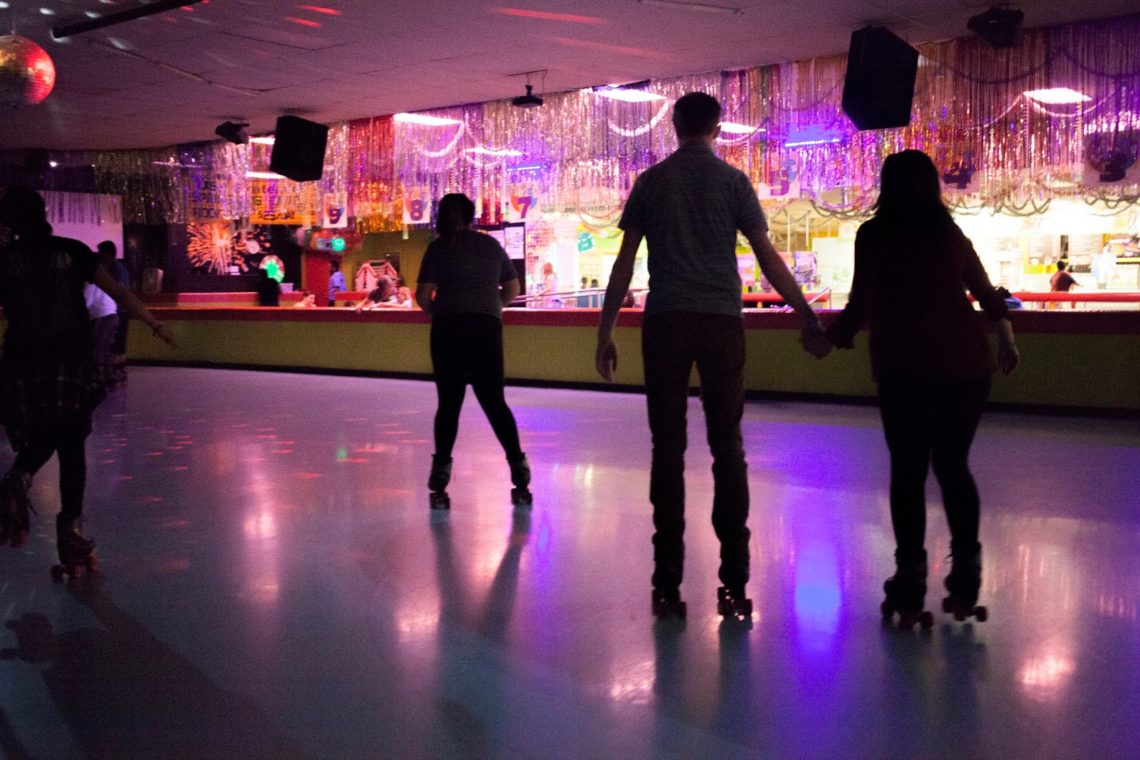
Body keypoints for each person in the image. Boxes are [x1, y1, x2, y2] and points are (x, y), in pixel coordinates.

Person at [595, 92, 831, 621]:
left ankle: (667, 582)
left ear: (675, 125)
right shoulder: (733, 183)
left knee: (668, 450)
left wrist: (605, 330)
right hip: (723, 324)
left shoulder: (653, 182)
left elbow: (624, 264)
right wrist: (806, 316)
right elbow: (768, 260)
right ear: (719, 128)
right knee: (728, 448)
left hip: (667, 323)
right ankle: (734, 581)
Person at [825, 150, 1019, 628]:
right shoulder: (949, 233)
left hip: (905, 368)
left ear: (886, 186)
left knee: (909, 471)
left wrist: (828, 339)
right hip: (967, 366)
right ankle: (967, 572)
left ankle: (911, 578)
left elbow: (861, 305)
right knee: (953, 465)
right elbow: (988, 295)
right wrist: (1007, 340)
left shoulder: (874, 234)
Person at [0, 187, 175, 569]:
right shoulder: (73, 251)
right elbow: (118, 292)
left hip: (24, 361)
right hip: (69, 357)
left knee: (50, 432)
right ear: (43, 213)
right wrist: (154, 324)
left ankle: (21, 475)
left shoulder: (5, 260)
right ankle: (71, 533)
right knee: (72, 440)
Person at [415, 193, 531, 510]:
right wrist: (491, 306)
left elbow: (423, 296)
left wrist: (442, 310)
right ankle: (519, 470)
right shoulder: (490, 246)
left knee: (449, 404)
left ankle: (440, 476)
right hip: (485, 329)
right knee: (494, 402)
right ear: (470, 217)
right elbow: (512, 288)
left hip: (448, 330)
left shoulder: (437, 248)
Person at [98, 241, 131, 387]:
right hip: (118, 310)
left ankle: (118, 373)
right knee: (116, 343)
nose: (99, 255)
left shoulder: (117, 269)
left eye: (101, 252)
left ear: (107, 254)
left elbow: (121, 289)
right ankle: (117, 373)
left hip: (120, 311)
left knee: (117, 343)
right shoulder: (114, 268)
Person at [84, 273, 118, 386]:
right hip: (113, 314)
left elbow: (86, 303)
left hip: (103, 316)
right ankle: (110, 376)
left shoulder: (90, 283)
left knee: (97, 348)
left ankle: (98, 377)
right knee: (105, 348)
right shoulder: (101, 281)